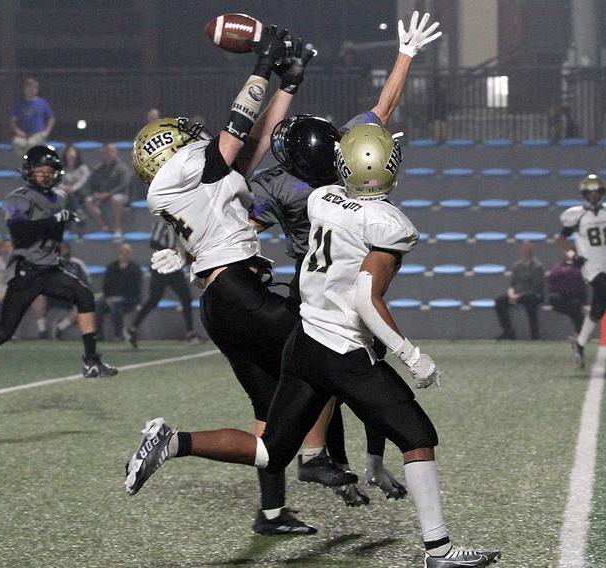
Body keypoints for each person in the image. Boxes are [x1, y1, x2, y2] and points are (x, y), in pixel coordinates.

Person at [124, 122, 500, 568]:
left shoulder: (323, 200)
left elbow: (254, 224)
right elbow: (365, 299)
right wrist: (413, 355)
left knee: (269, 451)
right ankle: (439, 551)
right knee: (418, 436)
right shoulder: (389, 224)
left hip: (303, 344)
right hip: (341, 348)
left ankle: (174, 442)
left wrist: (191, 252)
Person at [125, 28, 351, 535]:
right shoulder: (186, 172)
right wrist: (263, 64)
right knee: (329, 348)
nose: (197, 136)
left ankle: (205, 465)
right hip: (238, 293)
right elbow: (237, 124)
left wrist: (288, 85)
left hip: (223, 301)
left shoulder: (201, 181)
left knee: (270, 427)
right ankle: (314, 456)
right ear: (172, 151)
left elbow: (258, 139)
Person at [248, 11, 442, 506]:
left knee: (337, 374)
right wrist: (406, 54)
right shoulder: (347, 169)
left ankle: (338, 459)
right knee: (349, 372)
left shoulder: (290, 187)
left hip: (313, 275)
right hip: (335, 282)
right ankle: (325, 458)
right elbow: (383, 109)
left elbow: (245, 231)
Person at [0, 146, 117, 393]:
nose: (45, 175)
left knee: (84, 295)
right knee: (3, 331)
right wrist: (56, 219)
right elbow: (20, 232)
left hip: (50, 270)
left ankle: (91, 361)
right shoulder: (17, 198)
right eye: (40, 171)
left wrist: (73, 217)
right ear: (29, 171)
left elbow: (62, 221)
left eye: (50, 171)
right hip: (25, 273)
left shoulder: (60, 197)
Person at [560, 174, 606, 368]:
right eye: (589, 193)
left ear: (602, 193)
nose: (593, 196)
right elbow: (562, 239)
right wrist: (571, 254)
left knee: (598, 310)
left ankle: (580, 344)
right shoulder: (577, 215)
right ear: (584, 194)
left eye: (596, 192)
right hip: (591, 267)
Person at [125, 218, 197, 346]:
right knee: (154, 300)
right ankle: (132, 328)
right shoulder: (161, 223)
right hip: (162, 265)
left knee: (185, 298)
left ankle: (190, 333)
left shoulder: (177, 223)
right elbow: (153, 243)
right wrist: (170, 248)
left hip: (172, 265)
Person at [494, 241, 545, 340]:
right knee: (500, 301)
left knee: (530, 300)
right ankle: (508, 331)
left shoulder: (538, 267)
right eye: (524, 249)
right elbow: (512, 284)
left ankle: (534, 332)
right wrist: (511, 294)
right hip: (517, 295)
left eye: (528, 250)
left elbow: (535, 288)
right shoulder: (516, 266)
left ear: (532, 251)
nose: (526, 252)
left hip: (532, 295)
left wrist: (518, 296)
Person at [84, 142, 131, 240]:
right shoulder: (99, 168)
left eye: (111, 151)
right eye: (106, 152)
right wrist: (95, 194)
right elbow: (92, 183)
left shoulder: (122, 167)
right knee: (88, 200)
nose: (108, 154)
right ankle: (103, 226)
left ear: (116, 152)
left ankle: (118, 228)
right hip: (102, 196)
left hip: (119, 195)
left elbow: (124, 185)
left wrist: (108, 194)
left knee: (115, 199)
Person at [95, 244, 142, 341]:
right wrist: (108, 297)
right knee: (98, 304)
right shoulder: (112, 267)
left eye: (126, 252)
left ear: (129, 254)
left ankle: (118, 334)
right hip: (111, 297)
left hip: (129, 298)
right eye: (122, 252)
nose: (124, 254)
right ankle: (98, 333)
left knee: (116, 305)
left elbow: (135, 289)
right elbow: (106, 284)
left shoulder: (135, 269)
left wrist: (117, 298)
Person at [11, 78, 55, 158]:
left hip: (38, 135)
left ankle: (25, 165)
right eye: (28, 88)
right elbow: (13, 122)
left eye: (33, 88)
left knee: (30, 144)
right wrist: (18, 131)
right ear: (24, 89)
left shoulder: (42, 103)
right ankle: (26, 163)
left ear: (36, 90)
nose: (30, 90)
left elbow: (51, 118)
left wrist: (47, 131)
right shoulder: (19, 104)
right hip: (23, 136)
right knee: (16, 142)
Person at [547, 257, 587, 334]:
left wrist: (571, 270)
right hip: (560, 295)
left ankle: (580, 331)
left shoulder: (578, 268)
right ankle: (579, 329)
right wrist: (562, 271)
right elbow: (551, 277)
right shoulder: (559, 267)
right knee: (553, 299)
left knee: (576, 305)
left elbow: (580, 280)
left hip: (574, 295)